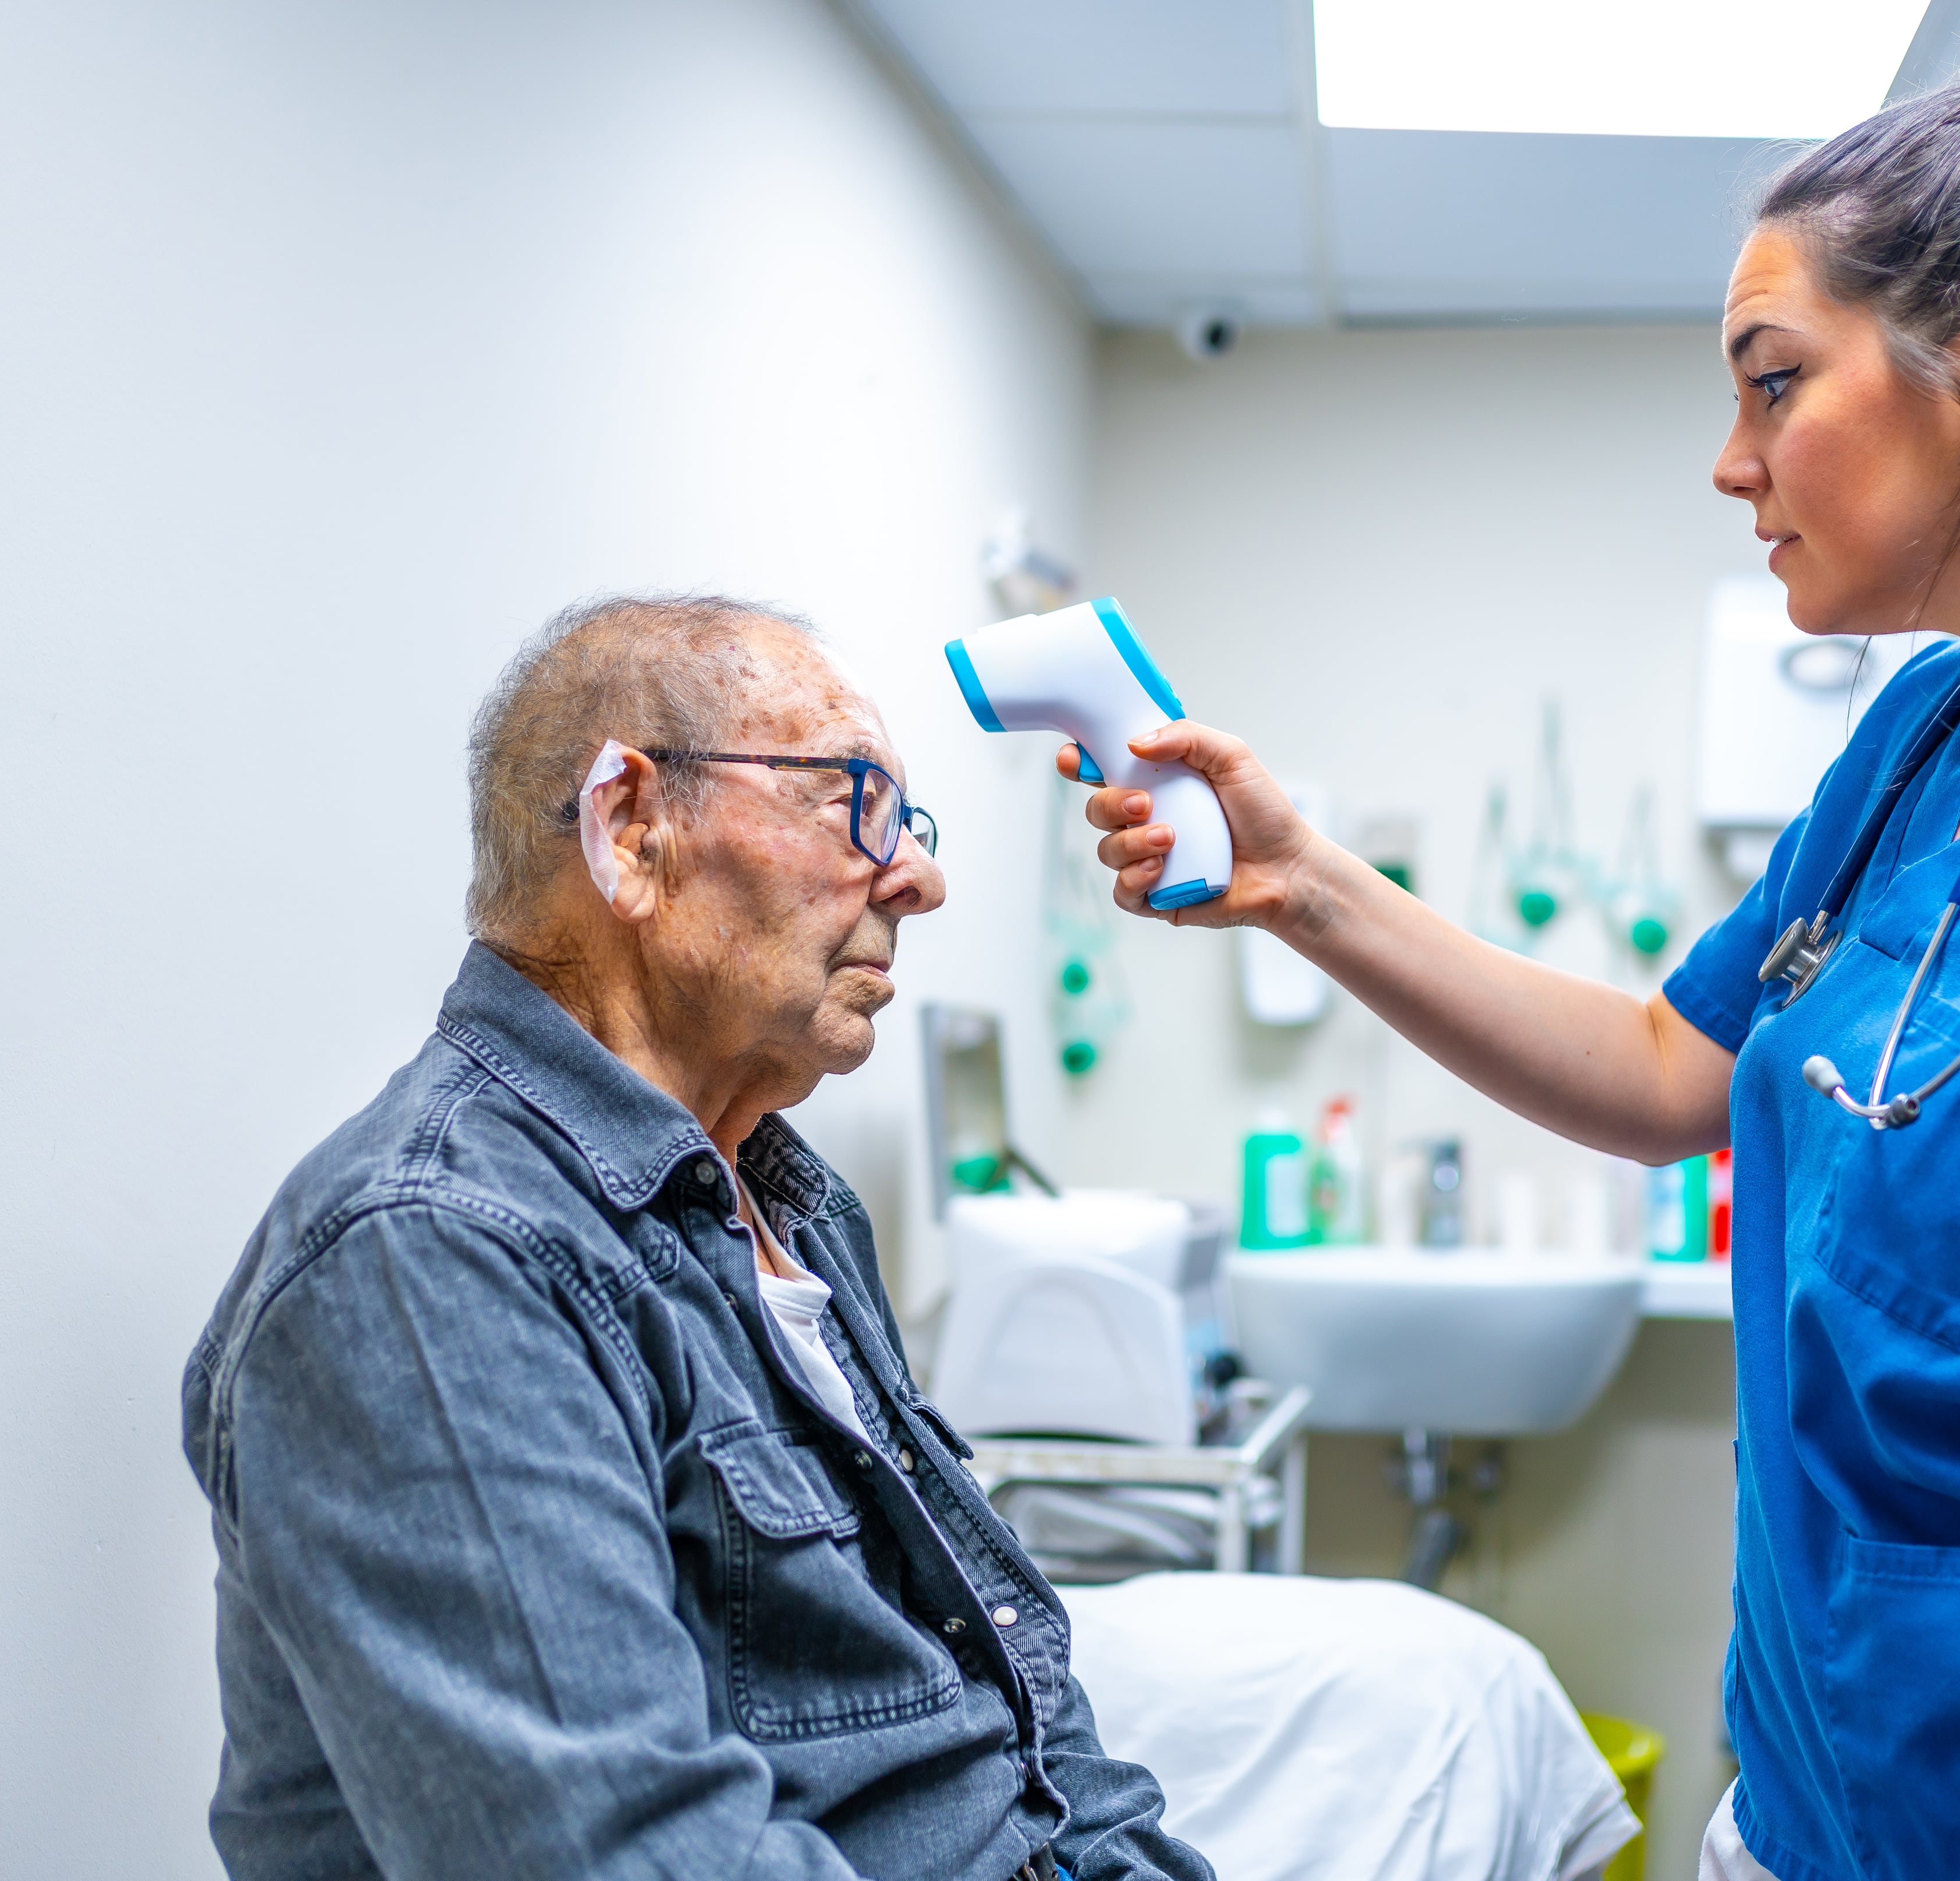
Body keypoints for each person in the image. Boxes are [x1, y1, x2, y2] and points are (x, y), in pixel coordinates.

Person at [1063, 0, 1960, 1879]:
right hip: (1832, 1799)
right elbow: (1679, 1065)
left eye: (1774, 383)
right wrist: (1308, 884)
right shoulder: (1929, 739)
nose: (1733, 463)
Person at [183, 595, 1210, 1881]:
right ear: (630, 826)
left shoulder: (797, 1205)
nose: (921, 876)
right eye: (853, 798)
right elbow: (617, 1854)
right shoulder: (433, 1253)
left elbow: (1026, 1723)